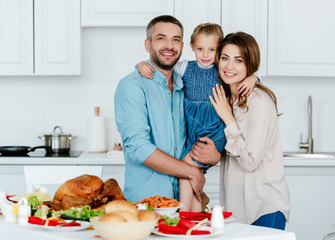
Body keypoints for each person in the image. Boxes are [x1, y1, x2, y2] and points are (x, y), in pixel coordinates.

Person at [137, 23, 258, 211]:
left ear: (219, 51)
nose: (205, 54)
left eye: (212, 50)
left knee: (186, 170)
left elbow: (243, 75)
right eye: (200, 49)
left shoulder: (223, 69)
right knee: (190, 173)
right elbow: (160, 67)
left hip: (213, 130)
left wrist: (254, 78)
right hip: (192, 130)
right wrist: (141, 64)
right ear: (191, 46)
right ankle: (193, 215)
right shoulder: (184, 67)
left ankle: (184, 216)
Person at [114, 15, 221, 204]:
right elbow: (139, 148)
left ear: (182, 46)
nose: (170, 46)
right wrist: (191, 172)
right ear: (148, 45)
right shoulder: (131, 86)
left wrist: (215, 156)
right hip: (146, 204)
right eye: (161, 38)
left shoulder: (184, 87)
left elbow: (199, 133)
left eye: (176, 39)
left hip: (180, 202)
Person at [209, 31, 290, 230]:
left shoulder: (260, 101)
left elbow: (250, 161)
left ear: (249, 65)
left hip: (263, 207)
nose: (229, 66)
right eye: (225, 58)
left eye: (239, 60)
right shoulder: (225, 97)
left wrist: (228, 117)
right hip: (236, 209)